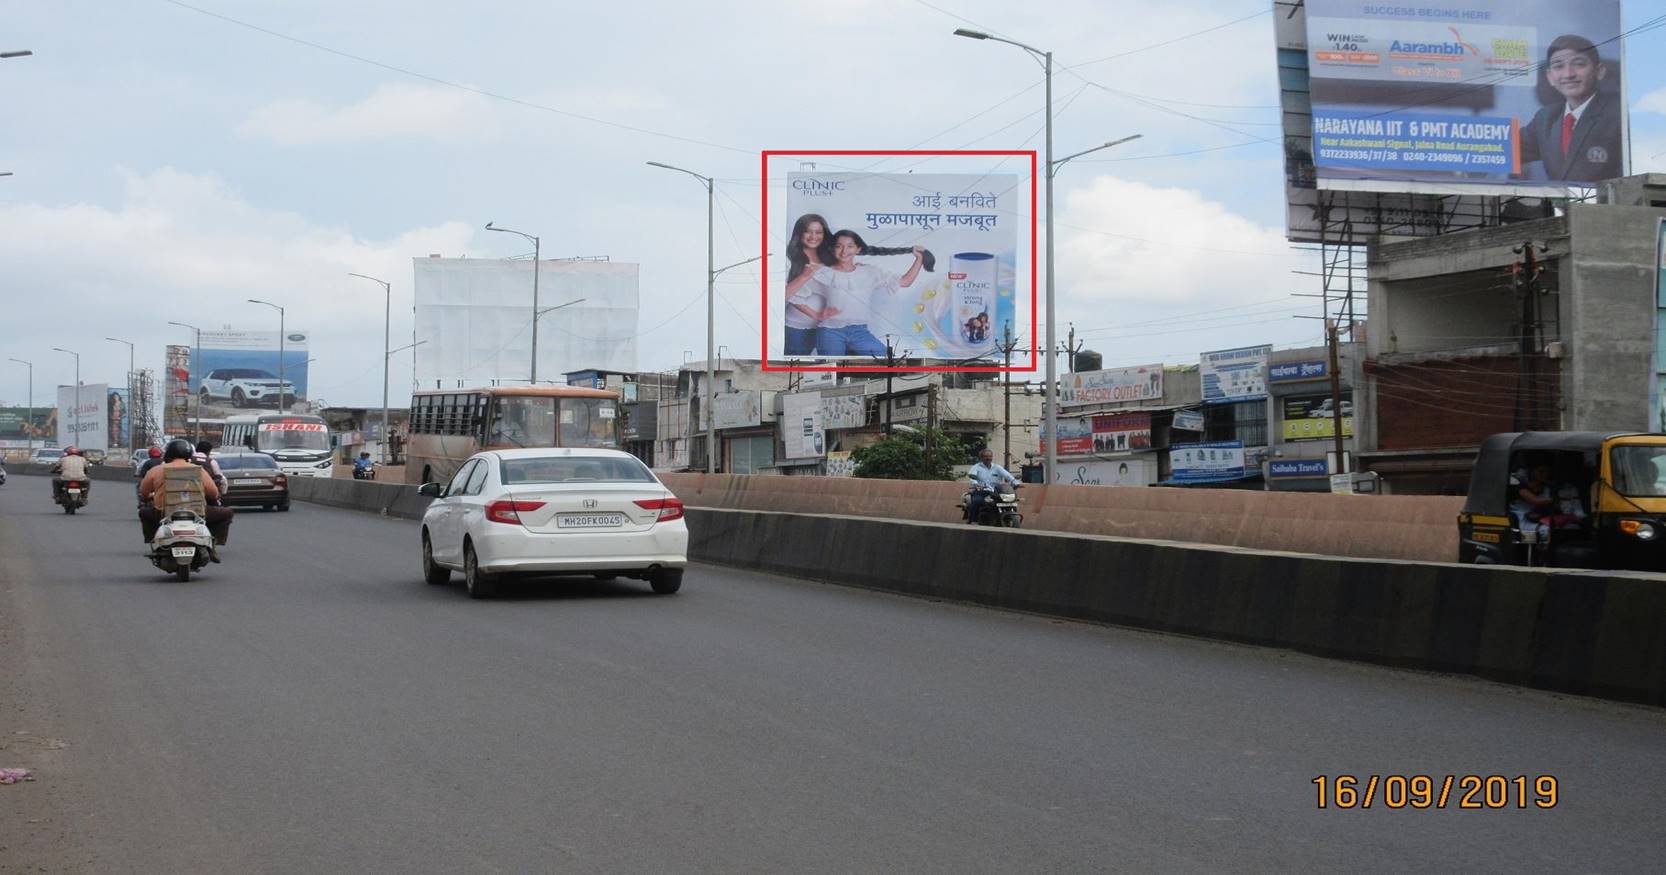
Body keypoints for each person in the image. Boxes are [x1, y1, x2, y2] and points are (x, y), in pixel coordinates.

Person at [1518, 35, 1623, 183]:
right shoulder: (1546, 119)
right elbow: (1503, 149)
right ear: (1550, 77)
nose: (1568, 74)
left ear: (1599, 71)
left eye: (1579, 64)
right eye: (1558, 66)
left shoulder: (1619, 114)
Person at [807, 230, 926, 357]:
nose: (844, 251)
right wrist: (815, 314)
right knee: (832, 367)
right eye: (839, 246)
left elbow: (905, 281)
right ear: (832, 249)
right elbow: (796, 294)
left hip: (860, 332)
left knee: (885, 359)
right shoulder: (823, 272)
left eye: (850, 246)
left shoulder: (869, 272)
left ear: (858, 249)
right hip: (830, 331)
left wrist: (919, 259)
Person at [138, 439, 233, 557]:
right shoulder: (199, 470)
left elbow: (143, 492)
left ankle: (154, 541)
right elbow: (213, 493)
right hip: (197, 512)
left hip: (163, 513)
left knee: (143, 513)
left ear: (168, 454)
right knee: (227, 513)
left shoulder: (156, 470)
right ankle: (213, 544)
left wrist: (150, 496)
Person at [965, 447, 1019, 523]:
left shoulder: (997, 467)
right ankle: (974, 520)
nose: (988, 458)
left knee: (1011, 501)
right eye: (986, 456)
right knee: (977, 501)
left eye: (990, 456)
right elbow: (972, 477)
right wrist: (976, 484)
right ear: (981, 458)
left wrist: (1015, 482)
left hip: (996, 492)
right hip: (981, 491)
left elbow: (1007, 475)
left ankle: (1009, 517)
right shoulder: (976, 467)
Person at [1509, 463, 1555, 539]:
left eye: (1547, 472)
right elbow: (1535, 501)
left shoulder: (1547, 488)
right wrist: (1555, 499)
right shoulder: (1522, 487)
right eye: (1541, 471)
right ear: (1532, 471)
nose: (1544, 474)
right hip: (1523, 522)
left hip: (1540, 519)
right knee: (1546, 530)